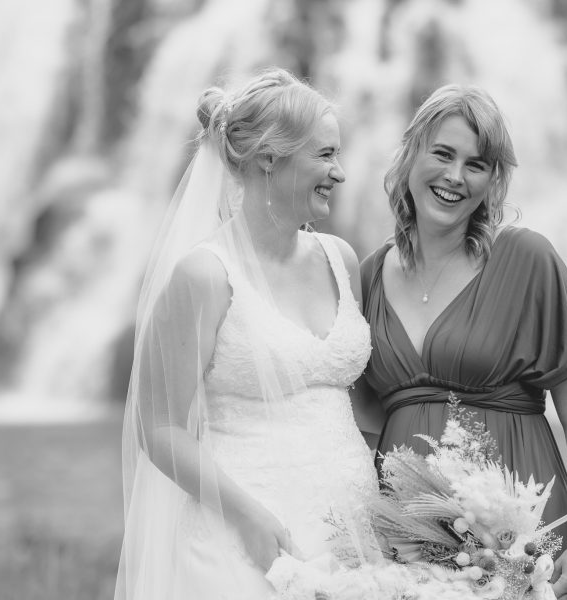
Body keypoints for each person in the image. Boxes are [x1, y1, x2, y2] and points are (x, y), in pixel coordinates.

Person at [114, 68, 379, 600]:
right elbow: (160, 429)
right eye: (325, 155)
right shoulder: (204, 275)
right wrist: (250, 517)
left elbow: (358, 406)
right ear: (268, 159)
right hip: (243, 541)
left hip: (356, 536)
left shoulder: (341, 259)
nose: (341, 173)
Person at [357, 84, 567, 600]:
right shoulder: (366, 277)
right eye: (443, 154)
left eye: (477, 164)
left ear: (493, 179)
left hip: (519, 537)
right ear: (411, 154)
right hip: (401, 542)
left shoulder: (527, 261)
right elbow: (361, 430)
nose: (455, 176)